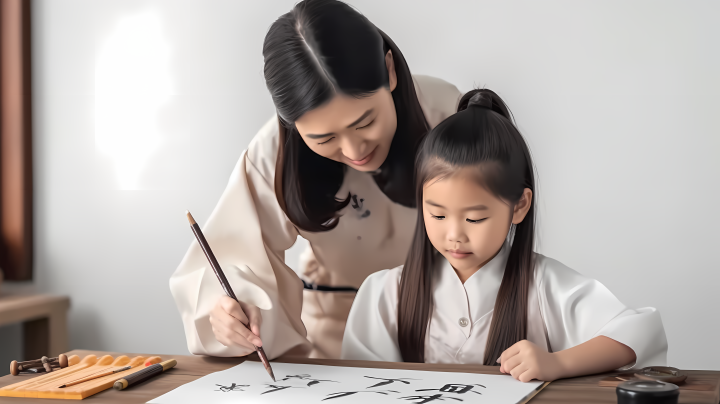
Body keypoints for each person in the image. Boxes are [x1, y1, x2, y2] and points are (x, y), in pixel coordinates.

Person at [169, 0, 462, 359]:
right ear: (293, 125)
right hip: (337, 332)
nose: (355, 150)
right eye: (324, 139)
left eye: (366, 121)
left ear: (389, 71)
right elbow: (232, 261)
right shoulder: (272, 153)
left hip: (454, 325)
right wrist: (229, 310)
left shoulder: (449, 114)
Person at [341, 89, 667, 382]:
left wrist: (558, 363)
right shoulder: (386, 293)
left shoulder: (544, 285)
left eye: (474, 218)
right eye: (437, 214)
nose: (454, 234)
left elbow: (638, 331)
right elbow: (363, 385)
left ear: (519, 206)